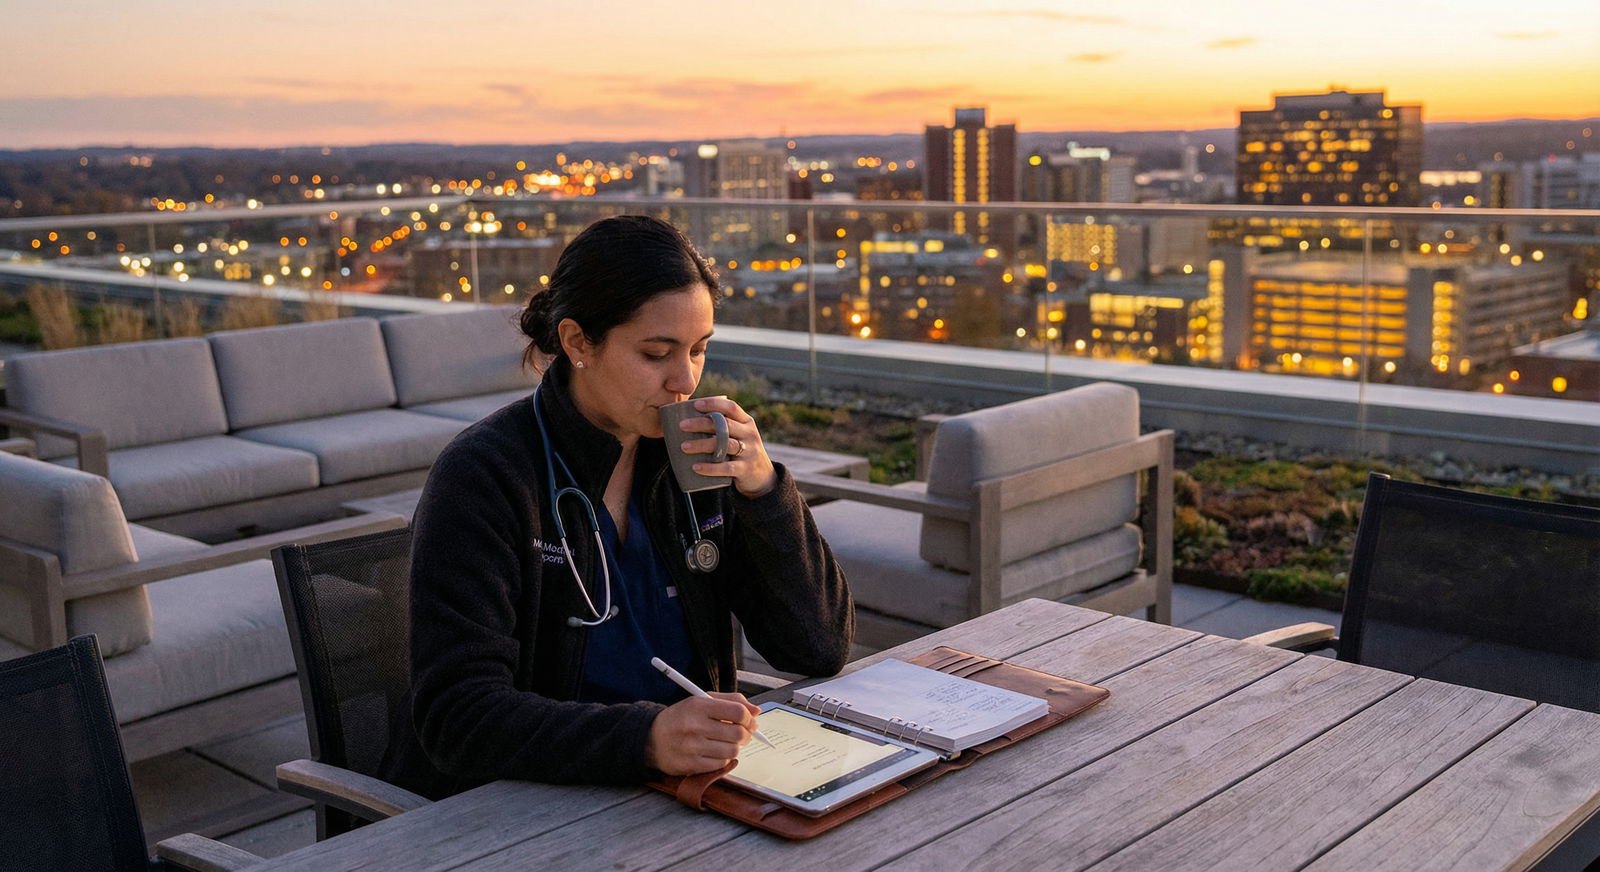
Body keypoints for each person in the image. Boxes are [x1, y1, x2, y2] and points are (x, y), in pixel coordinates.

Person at [380, 215, 853, 799]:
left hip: (683, 791)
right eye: (657, 354)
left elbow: (818, 647)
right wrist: (645, 738)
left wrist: (764, 491)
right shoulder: (488, 475)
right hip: (522, 805)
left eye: (699, 349)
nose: (684, 380)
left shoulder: (695, 462)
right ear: (578, 342)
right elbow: (458, 718)